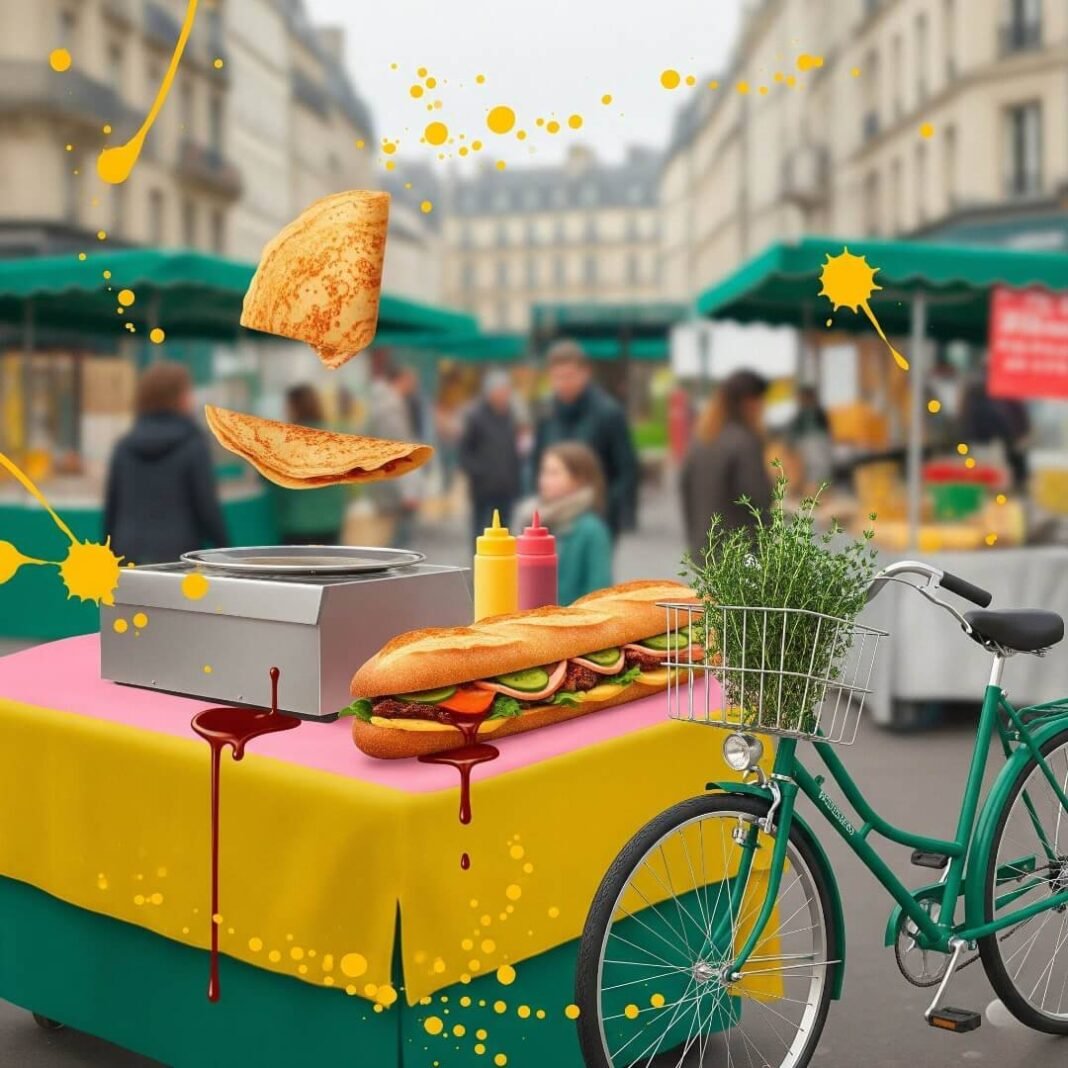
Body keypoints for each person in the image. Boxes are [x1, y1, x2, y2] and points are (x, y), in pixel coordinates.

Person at [104, 361, 228, 565]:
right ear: (179, 398)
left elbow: (112, 511)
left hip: (127, 553)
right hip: (178, 556)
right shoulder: (193, 444)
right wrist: (224, 555)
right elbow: (207, 508)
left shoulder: (124, 447)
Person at [532, 340, 638, 539]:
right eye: (558, 377)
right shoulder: (546, 413)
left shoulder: (608, 413)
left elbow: (626, 468)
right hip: (552, 517)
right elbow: (535, 461)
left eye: (569, 376)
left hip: (596, 518)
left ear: (585, 373)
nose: (563, 383)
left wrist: (608, 510)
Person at [680, 369, 773, 560]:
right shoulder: (745, 442)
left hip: (704, 548)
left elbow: (684, 487)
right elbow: (756, 495)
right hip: (739, 552)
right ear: (749, 402)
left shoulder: (702, 439)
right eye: (761, 401)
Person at [535, 442, 613, 605]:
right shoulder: (534, 520)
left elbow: (598, 591)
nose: (544, 480)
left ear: (579, 478)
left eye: (554, 473)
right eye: (544, 472)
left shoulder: (591, 530)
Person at [271, 384, 347, 545]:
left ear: (294, 407)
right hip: (331, 523)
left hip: (297, 525)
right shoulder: (334, 440)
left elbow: (268, 476)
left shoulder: (285, 443)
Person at [458, 370, 522, 541]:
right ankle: (480, 565)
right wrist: (480, 473)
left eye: (506, 391)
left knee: (504, 532)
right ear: (490, 392)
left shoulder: (510, 415)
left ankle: (502, 565)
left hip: (506, 487)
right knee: (481, 531)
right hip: (483, 489)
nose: (504, 395)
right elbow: (464, 453)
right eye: (500, 391)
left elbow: (513, 450)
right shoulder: (475, 417)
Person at [366, 354, 420, 545]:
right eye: (412, 379)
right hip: (393, 491)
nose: (414, 385)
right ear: (402, 378)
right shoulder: (390, 408)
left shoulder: (388, 404)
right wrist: (408, 492)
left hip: (388, 487)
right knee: (396, 546)